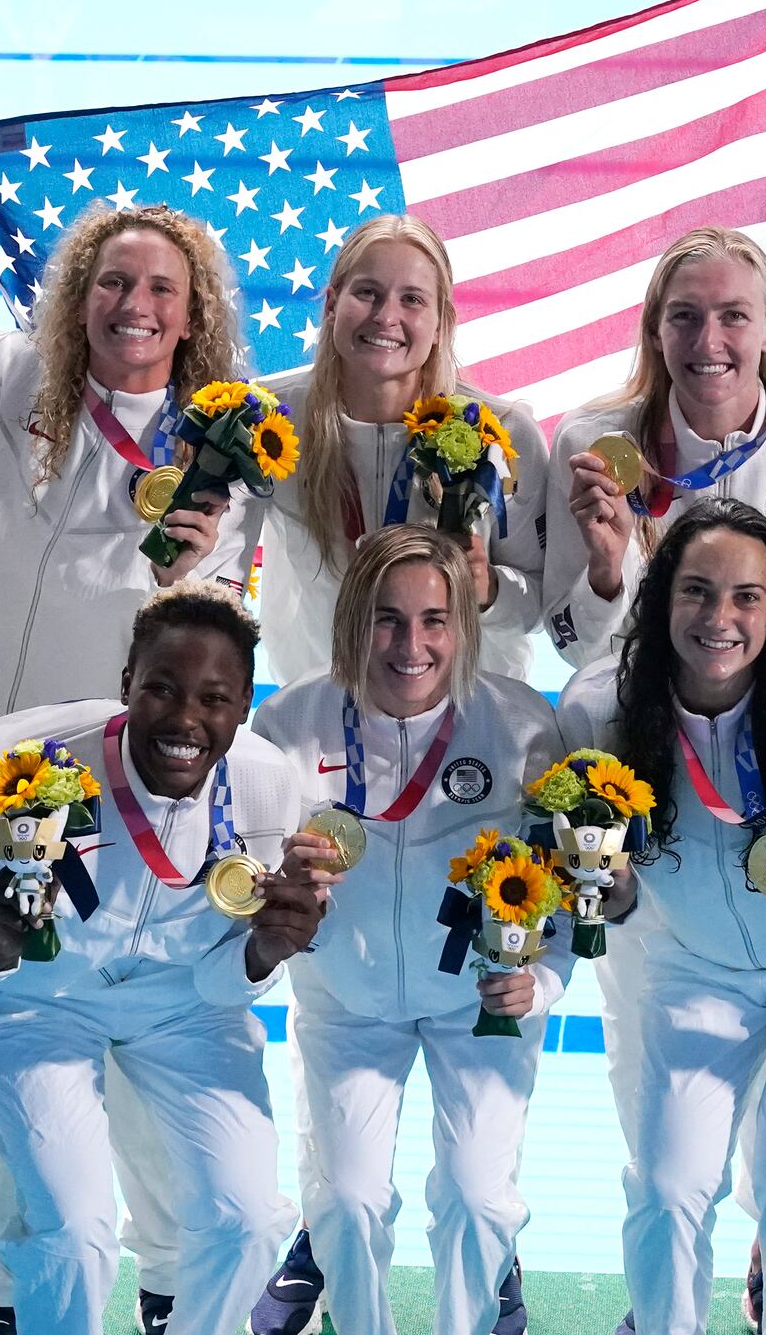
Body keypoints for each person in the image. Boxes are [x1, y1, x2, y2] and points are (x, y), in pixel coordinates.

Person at [0, 582, 333, 1335]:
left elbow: (223, 968)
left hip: (184, 1007)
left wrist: (263, 951)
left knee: (249, 1220)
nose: (184, 719)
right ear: (125, 688)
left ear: (243, 707)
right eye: (162, 690)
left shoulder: (269, 784)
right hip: (37, 1004)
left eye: (214, 699)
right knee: (75, 1235)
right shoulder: (21, 767)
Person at [559, 500, 766, 1335]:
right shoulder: (598, 713)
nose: (720, 618)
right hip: (694, 970)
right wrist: (608, 890)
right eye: (697, 592)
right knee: (668, 1183)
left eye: (746, 597)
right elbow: (612, 900)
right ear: (660, 599)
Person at [240, 527, 561, 1335]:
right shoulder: (288, 726)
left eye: (434, 620)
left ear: (464, 628)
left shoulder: (521, 727)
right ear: (353, 620)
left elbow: (563, 888)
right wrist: (285, 907)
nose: (411, 645)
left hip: (479, 1006)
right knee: (345, 1202)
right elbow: (246, 890)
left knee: (479, 1197)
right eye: (387, 618)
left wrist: (544, 980)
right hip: (349, 1008)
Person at [0, 129, 264, 709]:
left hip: (113, 738)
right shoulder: (25, 373)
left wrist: (181, 582)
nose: (134, 304)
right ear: (80, 300)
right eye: (113, 282)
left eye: (161, 289)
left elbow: (221, 627)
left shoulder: (222, 448)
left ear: (192, 319)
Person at [547, 226, 766, 669]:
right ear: (655, 330)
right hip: (642, 705)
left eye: (733, 316)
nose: (708, 342)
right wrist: (606, 571)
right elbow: (577, 653)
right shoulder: (590, 446)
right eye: (685, 316)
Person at [256, 215, 551, 683]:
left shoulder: (506, 434)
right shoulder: (266, 419)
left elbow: (540, 604)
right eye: (367, 292)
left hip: (467, 718)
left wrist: (489, 590)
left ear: (440, 324)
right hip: (321, 708)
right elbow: (217, 564)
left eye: (411, 299)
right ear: (332, 303)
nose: (385, 316)